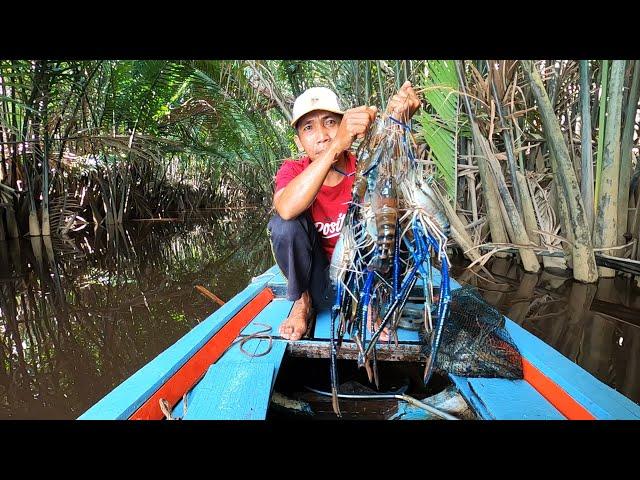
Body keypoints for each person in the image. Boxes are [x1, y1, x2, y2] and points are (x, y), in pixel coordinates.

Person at [268, 81, 421, 341]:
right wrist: (335, 147)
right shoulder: (293, 171)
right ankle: (302, 302)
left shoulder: (364, 165)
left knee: (392, 214)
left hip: (360, 277)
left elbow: (398, 183)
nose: (322, 135)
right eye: (309, 127)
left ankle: (370, 302)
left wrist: (399, 122)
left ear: (345, 125)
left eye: (330, 122)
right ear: (299, 140)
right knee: (284, 225)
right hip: (316, 281)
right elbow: (285, 208)